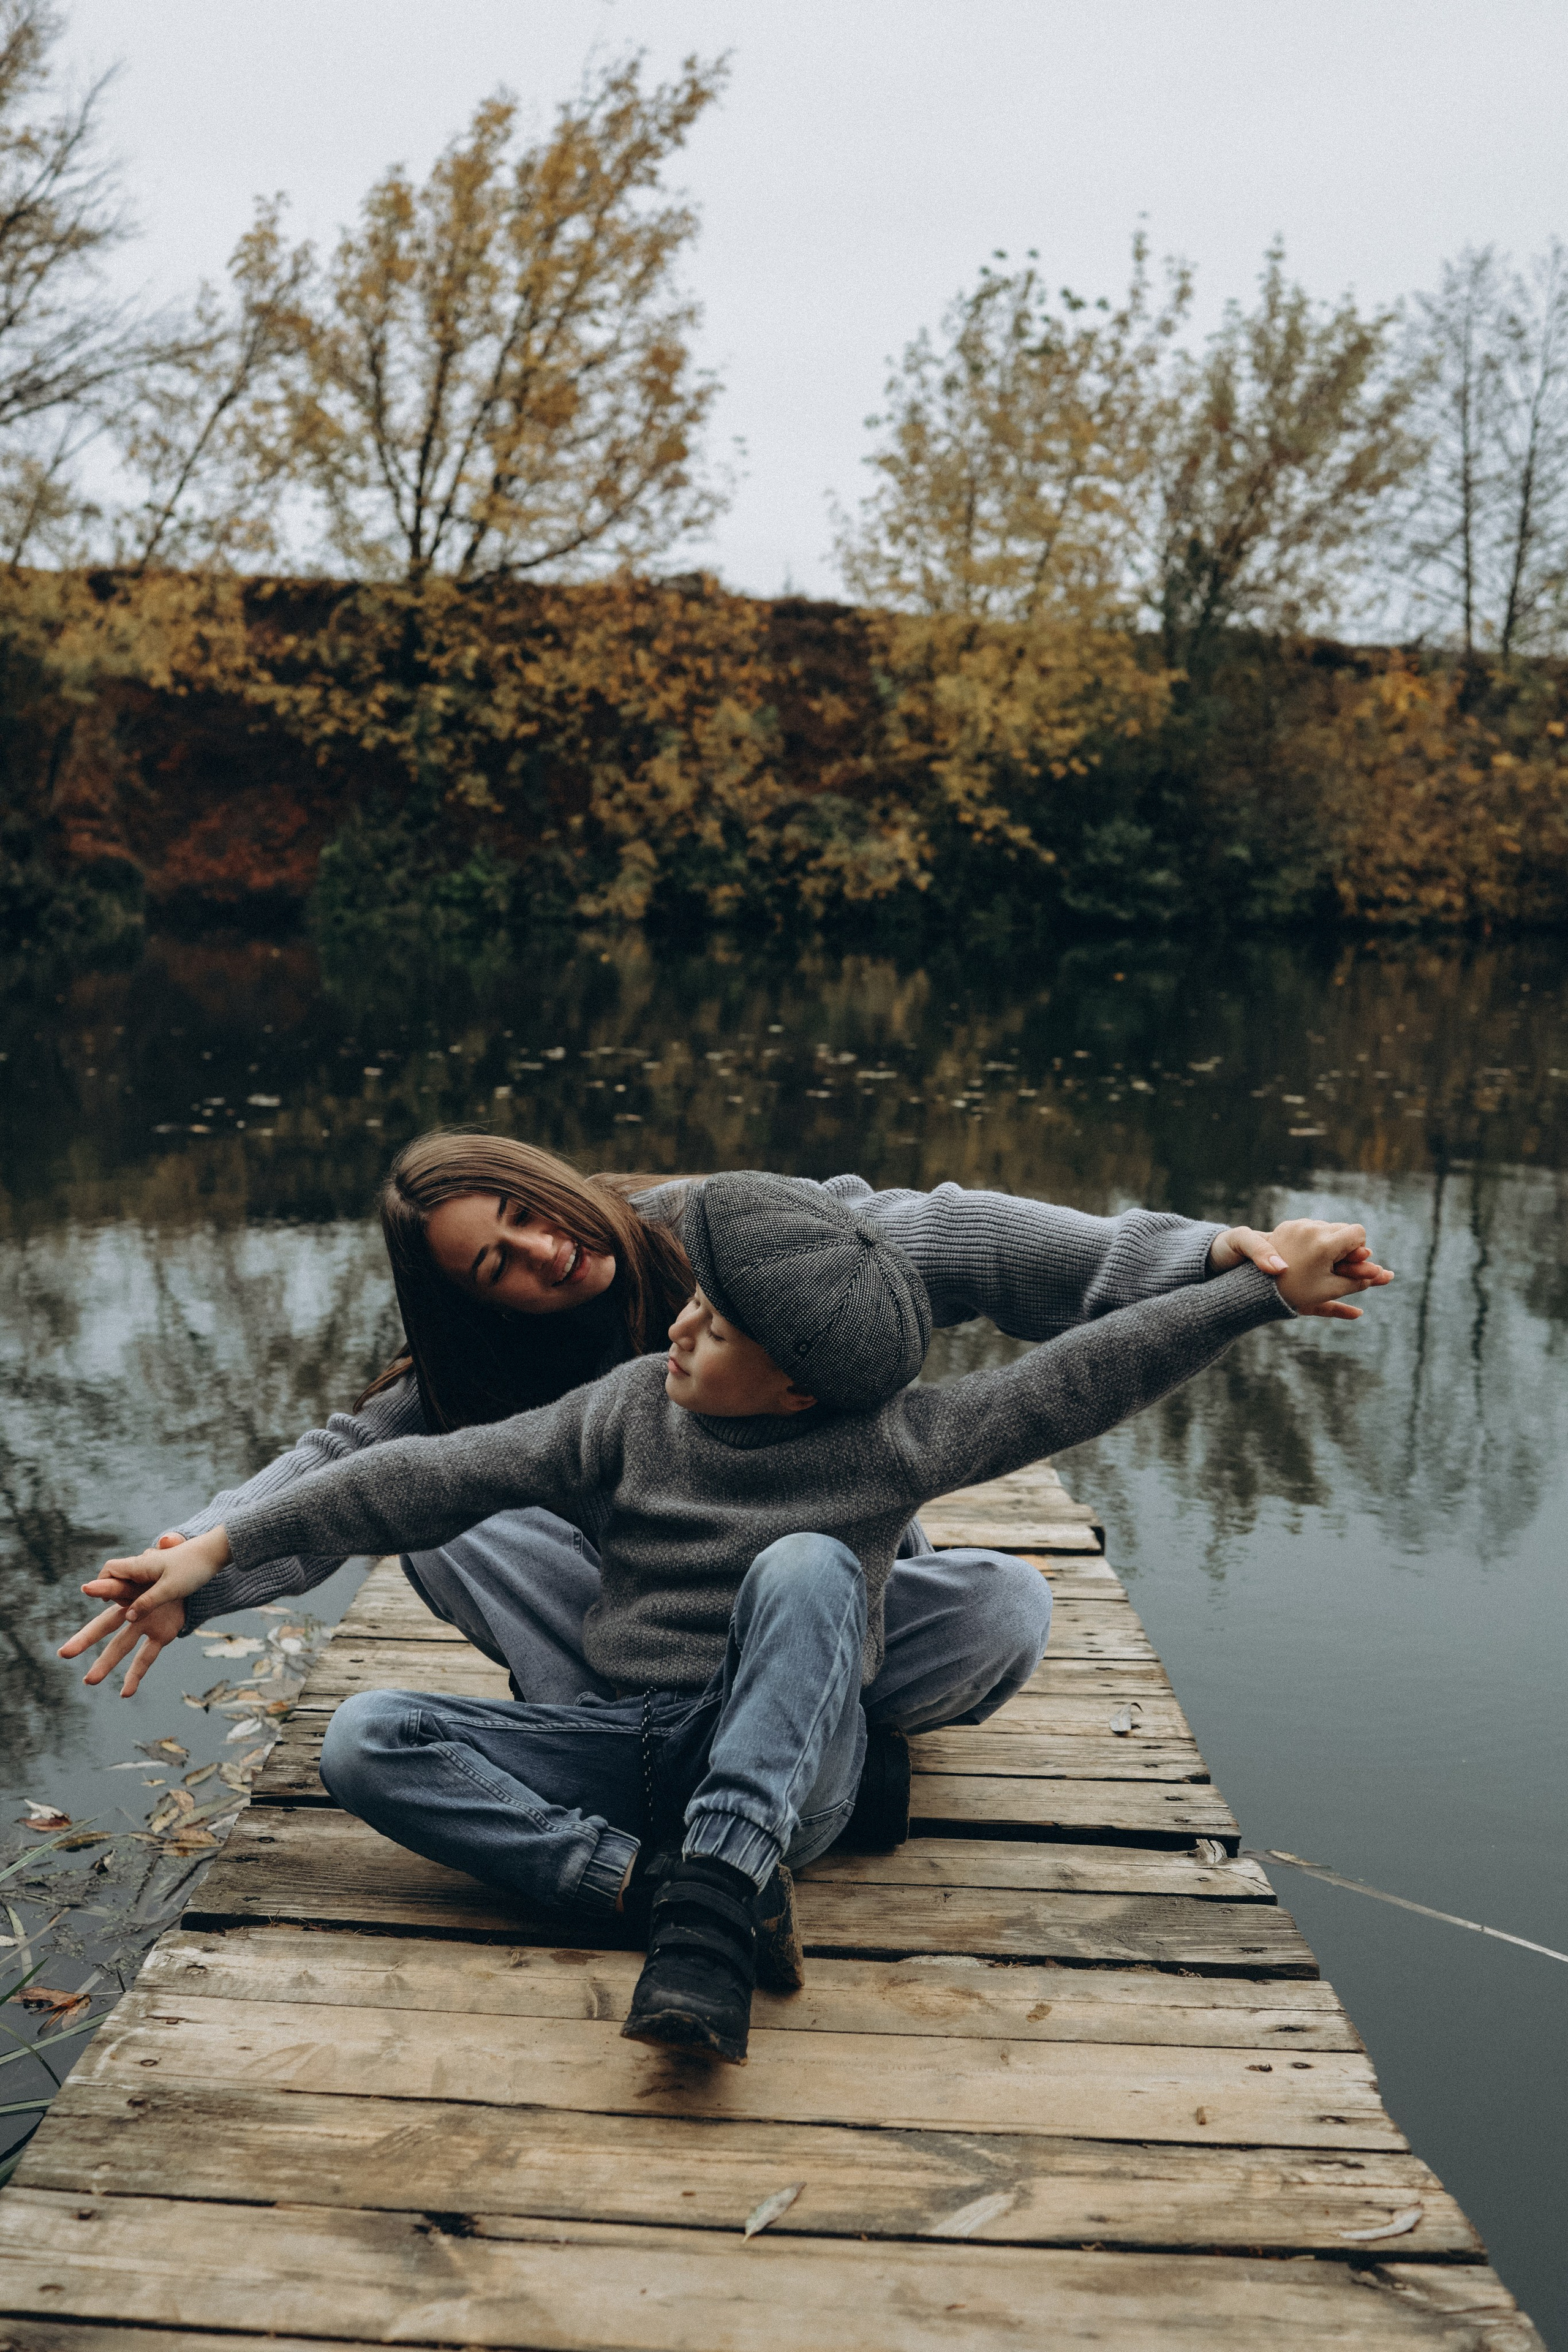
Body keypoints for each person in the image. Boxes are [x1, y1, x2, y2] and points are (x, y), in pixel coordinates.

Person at [91, 1174, 1391, 2064]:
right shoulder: (618, 1407)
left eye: (711, 1325)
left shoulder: (889, 1431)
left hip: (786, 1742)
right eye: (497, 1260)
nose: (681, 1324)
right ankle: (662, 1888)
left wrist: (1246, 1281)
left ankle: (721, 1897)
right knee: (365, 1738)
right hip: (632, 1737)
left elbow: (1078, 1373)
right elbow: (406, 1469)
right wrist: (217, 1546)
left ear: (794, 1389)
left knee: (815, 1572)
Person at [61, 1133, 1375, 1758]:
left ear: (546, 1176)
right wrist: (200, 1561)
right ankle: (620, 1733)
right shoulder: (493, 1376)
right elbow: (354, 1461)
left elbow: (956, 1235)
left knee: (1005, 1609)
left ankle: (787, 1730)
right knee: (447, 1516)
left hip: (818, 1607)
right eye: (492, 1263)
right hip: (634, 1639)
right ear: (471, 1298)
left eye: (522, 1211)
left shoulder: (733, 1233)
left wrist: (1211, 1256)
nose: (534, 1249)